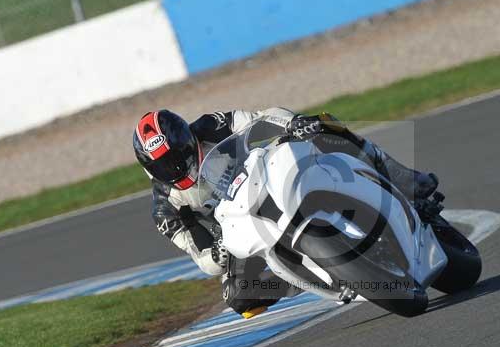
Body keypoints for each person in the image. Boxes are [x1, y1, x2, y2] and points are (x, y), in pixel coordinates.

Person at [132, 107, 438, 318]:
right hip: (239, 232)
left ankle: (405, 179)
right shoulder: (166, 209)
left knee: (325, 126)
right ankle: (323, 277)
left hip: (265, 175)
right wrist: (218, 253)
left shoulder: (209, 126)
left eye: (179, 155)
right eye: (162, 165)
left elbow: (260, 117)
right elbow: (201, 258)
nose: (175, 167)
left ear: (187, 138)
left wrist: (293, 122)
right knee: (239, 298)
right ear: (150, 169)